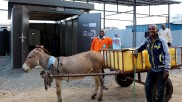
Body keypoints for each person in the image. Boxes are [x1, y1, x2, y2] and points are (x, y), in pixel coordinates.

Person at [134, 24, 171, 102]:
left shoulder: (162, 40)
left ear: (156, 30)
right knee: (147, 87)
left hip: (161, 69)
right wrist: (136, 50)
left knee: (161, 90)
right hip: (152, 69)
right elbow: (140, 47)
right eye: (149, 29)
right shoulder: (147, 40)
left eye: (153, 28)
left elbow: (167, 54)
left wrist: (167, 69)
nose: (151, 30)